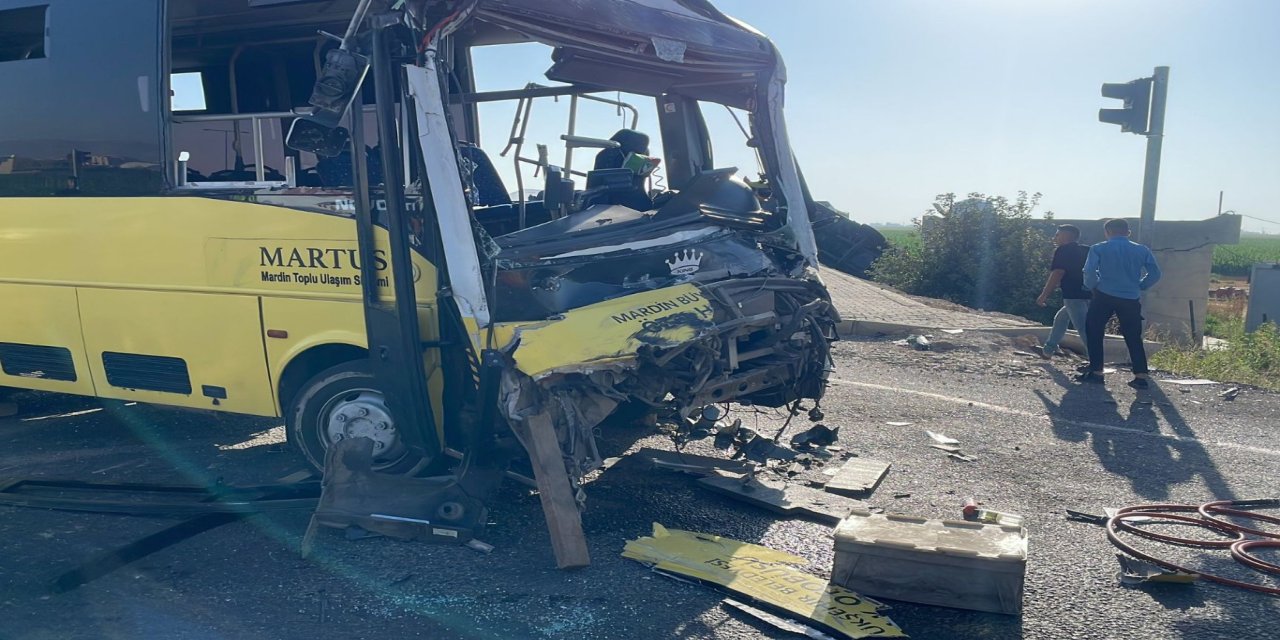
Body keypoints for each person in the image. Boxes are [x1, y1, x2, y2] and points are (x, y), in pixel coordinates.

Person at [1077, 219, 1161, 388]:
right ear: (1128, 232)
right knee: (1133, 336)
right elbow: (1155, 273)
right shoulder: (1141, 250)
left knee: (1094, 331)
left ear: (1107, 232)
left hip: (1104, 295)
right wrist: (1140, 285)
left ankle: (1096, 372)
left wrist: (1093, 286)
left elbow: (1089, 271)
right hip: (1130, 297)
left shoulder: (1099, 248)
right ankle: (1141, 375)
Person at [1036, 224, 1091, 359]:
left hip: (1073, 294)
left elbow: (1058, 273)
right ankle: (1049, 349)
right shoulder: (1088, 250)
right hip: (1090, 293)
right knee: (1061, 317)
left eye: (1057, 234)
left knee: (1083, 328)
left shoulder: (1063, 250)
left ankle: (1095, 361)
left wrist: (1044, 295)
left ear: (1066, 236)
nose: (1055, 238)